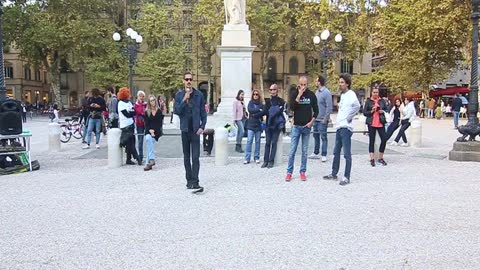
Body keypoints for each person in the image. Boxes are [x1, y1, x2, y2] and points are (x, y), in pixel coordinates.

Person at [323, 74, 360, 186]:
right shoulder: (343, 95)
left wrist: (349, 117)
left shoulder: (351, 94)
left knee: (347, 153)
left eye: (342, 82)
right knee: (336, 151)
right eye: (339, 82)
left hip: (346, 127)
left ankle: (346, 176)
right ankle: (334, 173)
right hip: (339, 126)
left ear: (347, 83)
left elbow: (357, 106)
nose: (340, 84)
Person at [174, 72, 207, 193]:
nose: (188, 81)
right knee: (186, 157)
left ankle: (196, 181)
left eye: (190, 79)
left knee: (196, 157)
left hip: (195, 130)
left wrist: (202, 126)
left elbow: (203, 112)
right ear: (183, 81)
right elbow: (177, 111)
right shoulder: (179, 95)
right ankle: (189, 181)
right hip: (185, 129)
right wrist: (184, 99)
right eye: (186, 79)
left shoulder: (199, 95)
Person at [285, 76, 319, 181]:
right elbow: (292, 107)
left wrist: (311, 122)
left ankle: (303, 171)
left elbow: (316, 111)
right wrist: (299, 95)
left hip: (306, 127)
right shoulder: (295, 93)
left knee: (304, 151)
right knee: (292, 151)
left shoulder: (311, 95)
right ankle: (289, 172)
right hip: (296, 126)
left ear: (307, 84)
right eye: (301, 84)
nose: (303, 87)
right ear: (299, 84)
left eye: (305, 84)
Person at [261, 84, 286, 169]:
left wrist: (272, 111)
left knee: (274, 143)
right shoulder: (267, 102)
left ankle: (271, 161)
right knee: (267, 143)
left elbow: (281, 111)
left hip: (276, 125)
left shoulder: (281, 101)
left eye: (274, 89)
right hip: (268, 124)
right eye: (271, 90)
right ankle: (265, 161)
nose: (272, 91)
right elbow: (264, 112)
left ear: (277, 90)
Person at [309, 75, 332, 162]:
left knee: (323, 137)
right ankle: (316, 152)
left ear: (319, 82)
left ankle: (324, 154)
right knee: (316, 136)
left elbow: (329, 107)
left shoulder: (326, 92)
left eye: (316, 80)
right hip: (316, 118)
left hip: (322, 119)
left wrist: (326, 118)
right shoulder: (317, 92)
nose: (315, 82)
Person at [363, 87, 388, 167]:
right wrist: (371, 111)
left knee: (384, 139)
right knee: (372, 141)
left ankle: (380, 157)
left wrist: (382, 111)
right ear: (371, 93)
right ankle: (372, 158)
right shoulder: (368, 101)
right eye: (374, 92)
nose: (375, 94)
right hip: (371, 123)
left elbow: (387, 109)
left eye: (376, 92)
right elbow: (364, 112)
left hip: (381, 122)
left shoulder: (382, 101)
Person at [118, 87, 140, 165]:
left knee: (131, 142)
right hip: (125, 125)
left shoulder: (129, 103)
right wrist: (131, 112)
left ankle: (128, 159)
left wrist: (131, 112)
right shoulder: (121, 103)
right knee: (130, 142)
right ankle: (137, 157)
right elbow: (127, 114)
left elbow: (134, 112)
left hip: (130, 124)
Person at [143, 95, 164, 171]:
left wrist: (154, 131)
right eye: (151, 101)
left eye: (154, 100)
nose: (153, 102)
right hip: (148, 131)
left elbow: (159, 124)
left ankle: (148, 163)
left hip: (156, 132)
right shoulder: (146, 112)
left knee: (150, 143)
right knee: (148, 139)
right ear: (149, 102)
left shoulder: (159, 111)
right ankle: (151, 160)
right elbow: (146, 124)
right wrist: (150, 131)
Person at [244, 89, 264, 164]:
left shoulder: (261, 104)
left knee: (258, 142)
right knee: (249, 141)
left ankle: (256, 157)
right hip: (251, 125)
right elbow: (250, 110)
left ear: (259, 96)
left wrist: (254, 114)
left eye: (257, 94)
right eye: (254, 94)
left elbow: (262, 113)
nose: (255, 96)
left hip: (258, 125)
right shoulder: (250, 103)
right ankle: (247, 158)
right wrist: (258, 110)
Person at [134, 91, 147, 164]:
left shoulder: (145, 104)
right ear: (137, 97)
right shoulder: (136, 105)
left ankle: (149, 156)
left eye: (142, 96)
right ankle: (140, 157)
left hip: (145, 123)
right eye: (140, 96)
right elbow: (138, 111)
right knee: (140, 140)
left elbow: (146, 112)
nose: (141, 97)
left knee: (149, 139)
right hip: (139, 123)